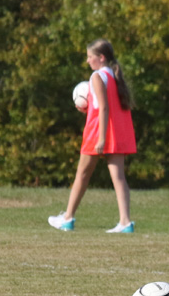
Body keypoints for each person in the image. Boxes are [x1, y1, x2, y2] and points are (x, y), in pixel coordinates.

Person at [48, 39, 137, 233]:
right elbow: (103, 106)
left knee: (82, 174)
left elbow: (104, 108)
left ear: (101, 58)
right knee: (119, 177)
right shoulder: (113, 76)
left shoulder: (97, 76)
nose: (88, 61)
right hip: (113, 130)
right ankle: (125, 222)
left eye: (90, 57)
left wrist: (101, 139)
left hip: (98, 131)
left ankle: (68, 218)